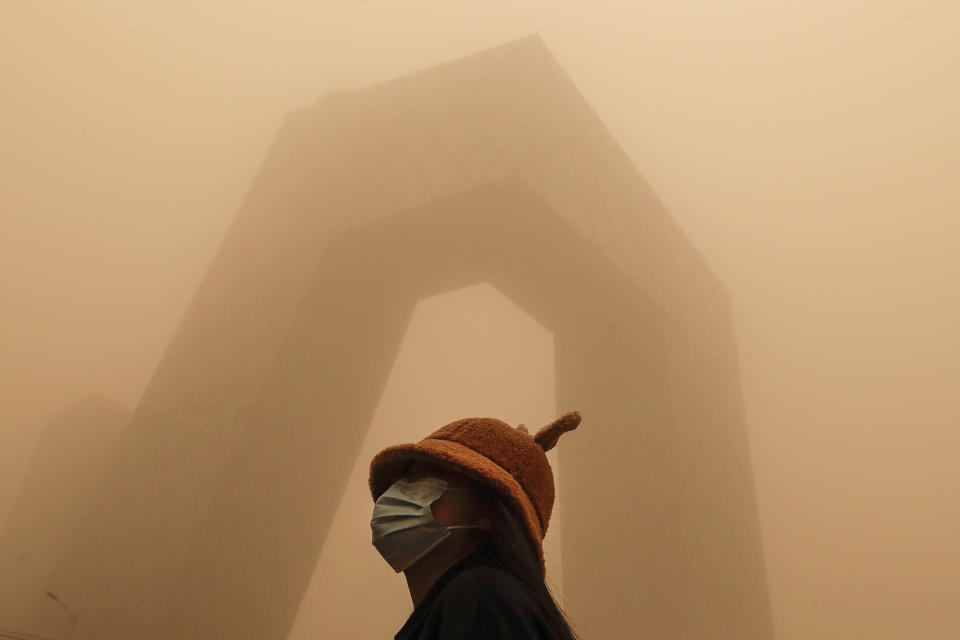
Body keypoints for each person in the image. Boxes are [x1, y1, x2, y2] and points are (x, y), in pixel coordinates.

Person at [368, 411, 583, 640]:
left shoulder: (481, 597)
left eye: (419, 478)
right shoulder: (474, 603)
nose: (396, 493)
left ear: (487, 512)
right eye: (398, 483)